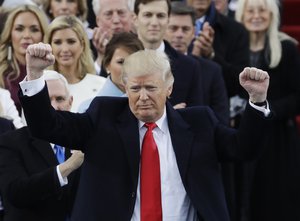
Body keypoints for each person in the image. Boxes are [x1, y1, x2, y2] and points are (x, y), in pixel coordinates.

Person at [19, 42, 272, 221]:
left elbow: (244, 148)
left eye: (151, 88)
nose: (142, 97)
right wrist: (35, 75)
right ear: (125, 87)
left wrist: (257, 101)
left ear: (169, 88)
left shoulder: (200, 123)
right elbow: (47, 126)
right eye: (135, 88)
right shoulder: (102, 116)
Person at [235, 0, 300, 220]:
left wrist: (266, 109)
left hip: (276, 137)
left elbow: (297, 97)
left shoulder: (287, 48)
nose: (256, 15)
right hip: (237, 132)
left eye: (262, 10)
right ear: (241, 15)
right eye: (250, 11)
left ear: (272, 15)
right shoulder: (231, 48)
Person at [0, 71, 83, 221]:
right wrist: (67, 167)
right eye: (46, 100)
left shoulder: (82, 139)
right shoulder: (12, 141)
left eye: (59, 99)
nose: (53, 106)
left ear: (70, 102)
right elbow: (16, 193)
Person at [164, 1, 229, 125]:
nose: (179, 35)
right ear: (163, 29)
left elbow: (221, 119)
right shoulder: (151, 65)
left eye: (185, 29)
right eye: (173, 28)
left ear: (194, 32)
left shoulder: (212, 70)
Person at [133, 0, 204, 108]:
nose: (154, 22)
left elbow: (195, 114)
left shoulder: (189, 66)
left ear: (168, 20)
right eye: (148, 15)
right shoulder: (121, 59)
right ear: (135, 19)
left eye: (160, 16)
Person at [187, 0, 249, 98]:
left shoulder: (235, 31)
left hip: (216, 108)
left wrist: (211, 55)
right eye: (174, 28)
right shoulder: (166, 23)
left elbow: (239, 84)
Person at [44, 15, 106, 112]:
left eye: (71, 41)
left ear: (82, 45)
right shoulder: (38, 87)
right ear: (49, 46)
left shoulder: (101, 85)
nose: (65, 49)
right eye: (58, 42)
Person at [78, 32, 144, 112]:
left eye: (134, 62)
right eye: (121, 62)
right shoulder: (88, 109)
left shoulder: (152, 107)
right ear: (107, 65)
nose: (128, 69)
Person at [0, 5, 48, 114]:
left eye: (34, 29)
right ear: (10, 34)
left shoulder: (53, 70)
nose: (26, 35)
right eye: (19, 29)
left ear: (43, 35)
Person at [91, 0, 134, 74]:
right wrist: (102, 57)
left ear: (132, 16)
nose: (116, 20)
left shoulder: (143, 44)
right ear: (98, 21)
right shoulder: (86, 48)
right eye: (108, 14)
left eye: (121, 13)